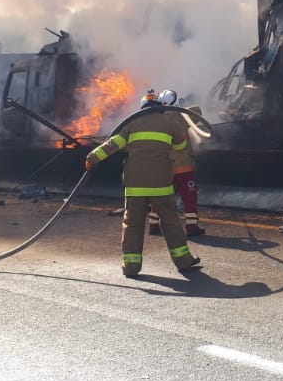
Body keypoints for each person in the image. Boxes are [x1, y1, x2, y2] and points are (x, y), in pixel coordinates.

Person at [86, 89, 202, 278]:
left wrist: (92, 158)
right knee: (171, 222)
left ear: (142, 108)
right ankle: (184, 261)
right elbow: (181, 146)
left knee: (132, 224)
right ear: (159, 107)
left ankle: (131, 266)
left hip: (135, 185)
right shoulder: (170, 123)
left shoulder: (131, 124)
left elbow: (113, 144)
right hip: (161, 184)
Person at [149, 97, 205, 237]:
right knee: (189, 197)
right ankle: (192, 227)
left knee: (161, 197)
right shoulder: (182, 117)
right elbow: (197, 110)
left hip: (164, 167)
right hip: (182, 167)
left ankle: (153, 225)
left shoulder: (156, 121)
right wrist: (182, 108)